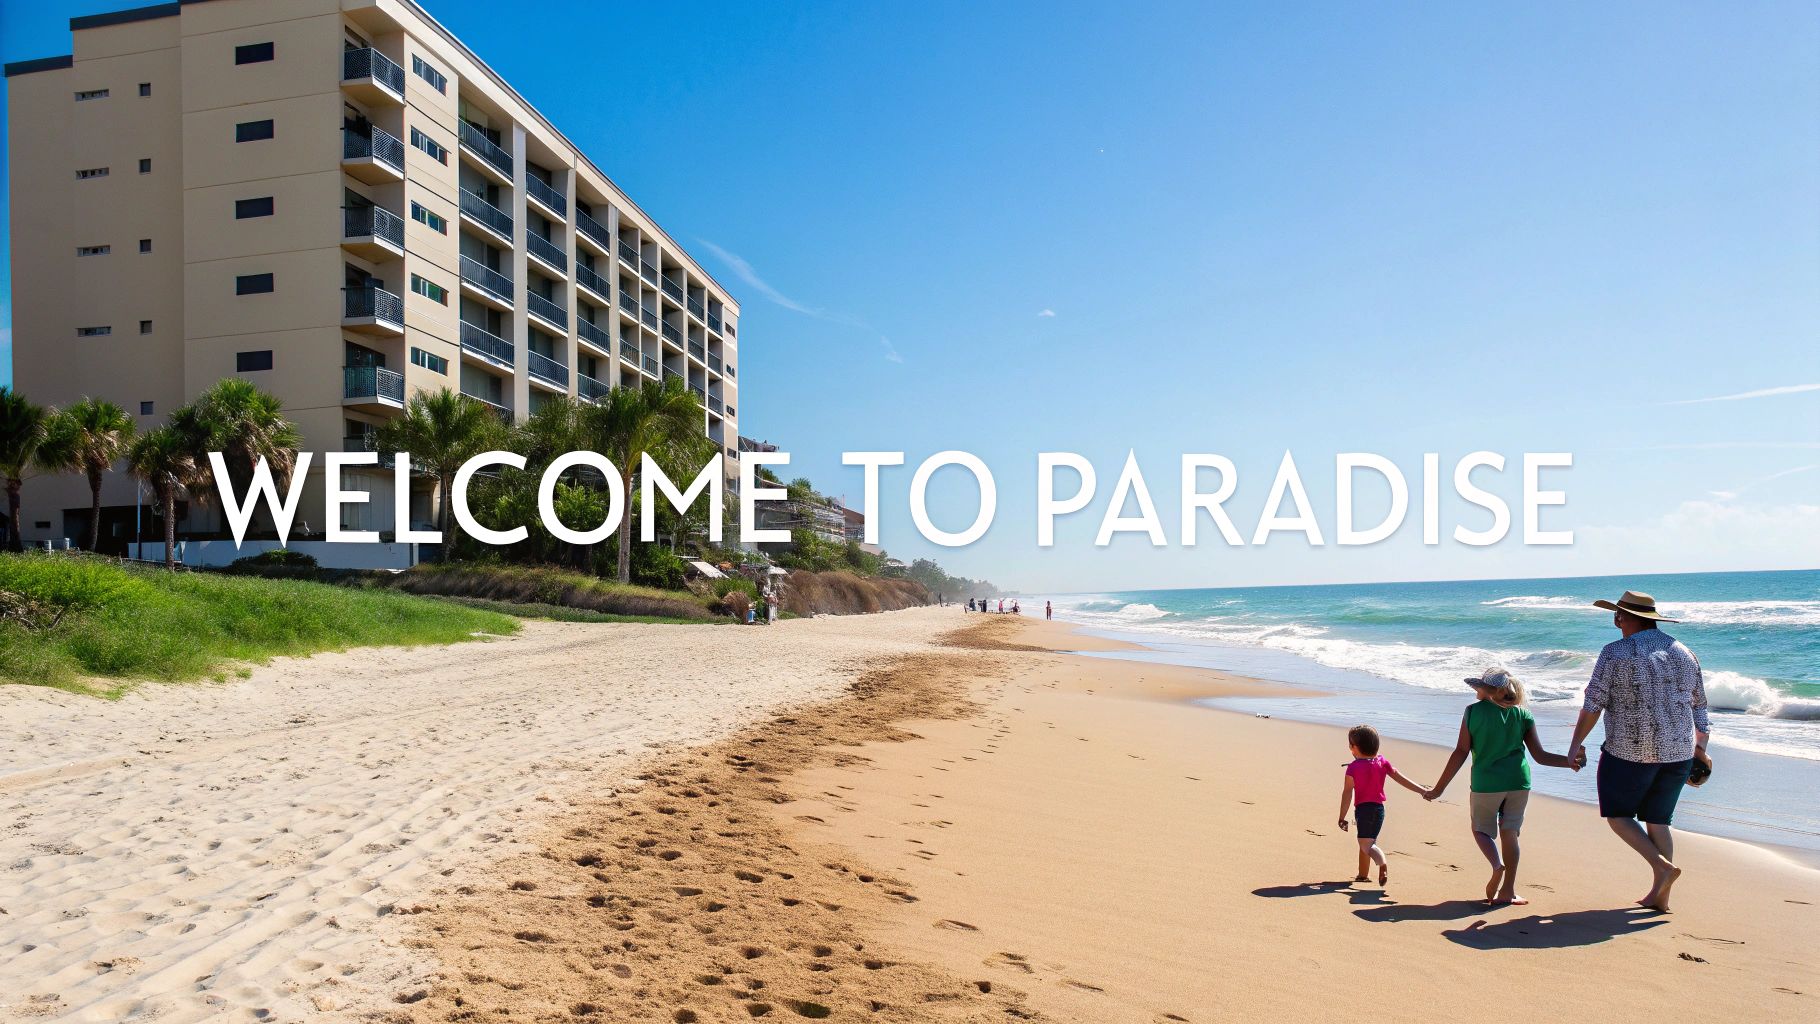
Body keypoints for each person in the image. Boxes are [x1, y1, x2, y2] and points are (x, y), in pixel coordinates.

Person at [1568, 590, 1710, 912]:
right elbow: (1699, 705)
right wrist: (1701, 747)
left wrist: (1576, 744)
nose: (1615, 621)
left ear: (1624, 618)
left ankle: (1661, 867)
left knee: (1618, 815)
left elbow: (1594, 703)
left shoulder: (1615, 652)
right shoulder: (1684, 651)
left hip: (1629, 751)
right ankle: (1661, 898)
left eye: (1617, 616)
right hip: (1679, 752)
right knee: (1658, 822)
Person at [1425, 668, 1578, 905]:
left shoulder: (1473, 712)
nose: (1477, 690)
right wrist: (1569, 762)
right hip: (1518, 782)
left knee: (1481, 830)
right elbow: (1540, 756)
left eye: (1481, 686)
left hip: (1487, 783)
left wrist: (1439, 788)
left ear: (1489, 691)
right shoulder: (1523, 714)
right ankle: (1508, 891)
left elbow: (1461, 752)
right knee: (1510, 834)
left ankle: (1497, 866)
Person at [1338, 725, 1428, 886]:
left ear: (1354, 748)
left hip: (1364, 810)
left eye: (1350, 744)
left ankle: (1382, 864)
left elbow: (1347, 793)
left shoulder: (1353, 768)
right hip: (1379, 810)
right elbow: (1401, 778)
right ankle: (1362, 874)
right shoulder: (1382, 762)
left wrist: (1342, 817)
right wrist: (1421, 790)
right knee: (1366, 840)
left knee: (1367, 845)